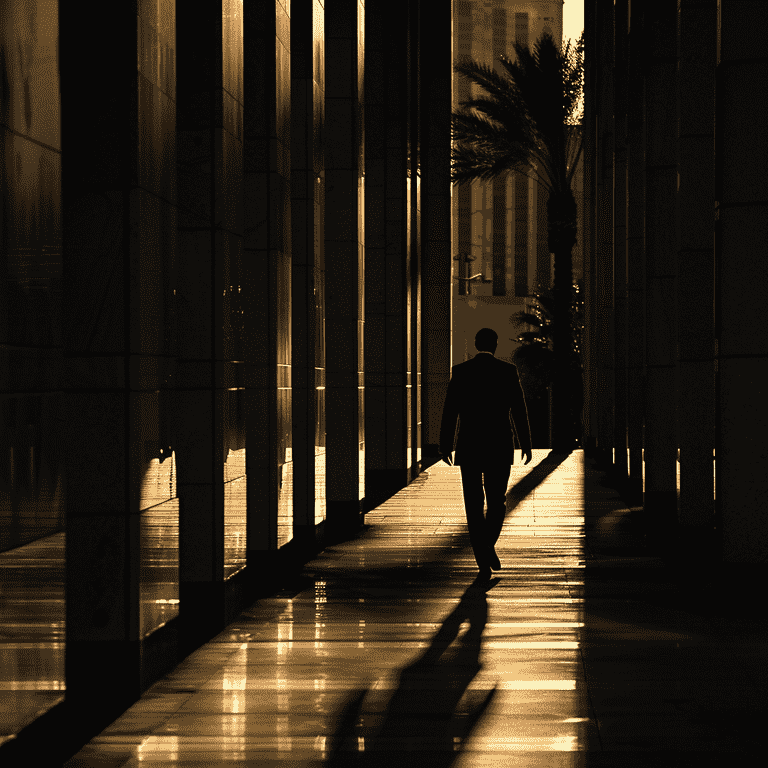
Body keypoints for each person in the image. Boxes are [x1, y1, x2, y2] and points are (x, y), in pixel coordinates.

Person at [439, 328, 533, 579]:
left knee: (472, 501)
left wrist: (445, 444)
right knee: (497, 500)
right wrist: (526, 443)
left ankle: (482, 555)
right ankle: (488, 546)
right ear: (496, 345)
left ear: (475, 343)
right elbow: (519, 409)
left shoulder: (461, 372)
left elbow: (450, 411)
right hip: (499, 444)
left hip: (469, 445)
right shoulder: (507, 371)